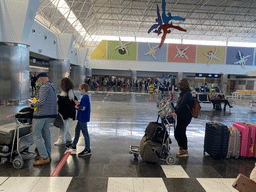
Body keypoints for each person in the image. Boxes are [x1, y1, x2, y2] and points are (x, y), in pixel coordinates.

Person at [30, 73, 57, 166]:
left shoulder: (44, 87)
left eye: (39, 80)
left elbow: (41, 101)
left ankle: (44, 157)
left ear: (41, 79)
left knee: (36, 135)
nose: (38, 82)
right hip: (48, 114)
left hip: (40, 114)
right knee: (46, 135)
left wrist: (32, 104)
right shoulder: (52, 86)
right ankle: (47, 155)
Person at [67, 83, 91, 156]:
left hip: (83, 118)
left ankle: (87, 149)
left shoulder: (85, 97)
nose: (80, 90)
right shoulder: (84, 97)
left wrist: (78, 106)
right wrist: (78, 103)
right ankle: (74, 144)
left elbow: (83, 108)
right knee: (77, 130)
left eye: (80, 89)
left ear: (83, 89)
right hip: (81, 117)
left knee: (85, 133)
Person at [171, 79, 193, 157]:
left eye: (180, 84)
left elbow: (183, 105)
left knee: (180, 133)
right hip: (182, 116)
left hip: (185, 116)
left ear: (183, 85)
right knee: (179, 133)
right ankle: (182, 149)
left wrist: (176, 112)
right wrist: (173, 109)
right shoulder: (183, 94)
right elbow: (179, 105)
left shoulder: (187, 94)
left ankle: (184, 150)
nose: (179, 86)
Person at [54, 77, 76, 145]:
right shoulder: (67, 90)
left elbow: (70, 100)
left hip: (65, 111)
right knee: (66, 125)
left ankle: (61, 140)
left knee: (63, 126)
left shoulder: (68, 91)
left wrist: (60, 98)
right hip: (65, 111)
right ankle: (68, 138)